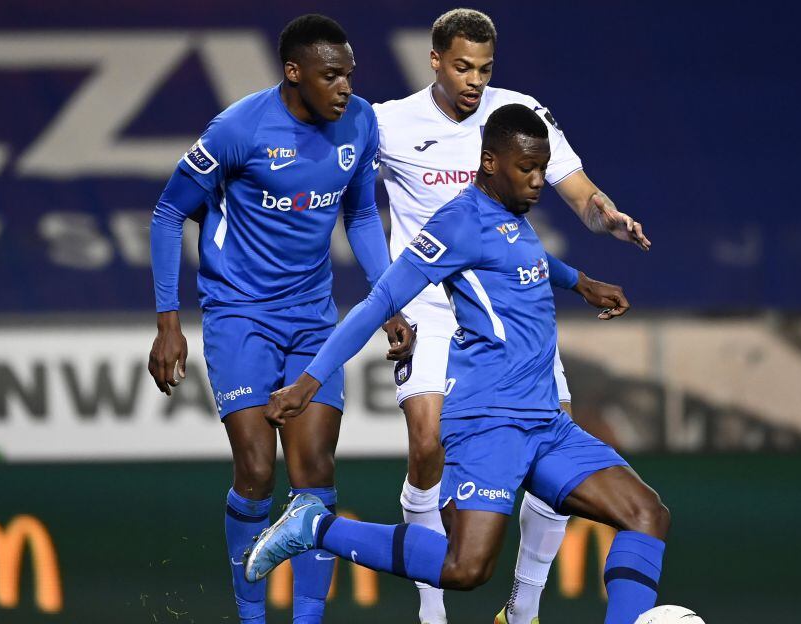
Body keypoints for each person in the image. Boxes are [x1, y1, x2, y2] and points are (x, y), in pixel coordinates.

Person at [246, 104, 670, 624]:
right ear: (490, 163)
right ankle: (315, 527)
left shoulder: (513, 214)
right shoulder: (458, 223)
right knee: (466, 569)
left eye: (543, 168)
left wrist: (580, 281)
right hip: (488, 420)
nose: (539, 181)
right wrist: (308, 381)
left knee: (646, 514)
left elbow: (526, 263)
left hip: (544, 423)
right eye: (527, 169)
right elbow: (378, 302)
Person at [371, 9, 651, 623]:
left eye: (485, 68)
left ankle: (522, 609)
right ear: (436, 61)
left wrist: (607, 217)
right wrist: (383, 296)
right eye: (464, 67)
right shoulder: (389, 124)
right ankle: (432, 611)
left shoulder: (516, 114)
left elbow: (579, 192)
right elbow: (359, 211)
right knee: (426, 445)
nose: (475, 79)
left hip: (505, 300)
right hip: (428, 302)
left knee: (556, 432)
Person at [146, 14, 413, 624]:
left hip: (315, 318)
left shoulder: (360, 122)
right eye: (330, 76)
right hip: (239, 315)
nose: (345, 87)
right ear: (293, 74)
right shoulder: (239, 128)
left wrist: (387, 302)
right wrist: (168, 321)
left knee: (315, 471)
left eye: (349, 74)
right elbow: (168, 215)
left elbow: (362, 217)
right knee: (258, 470)